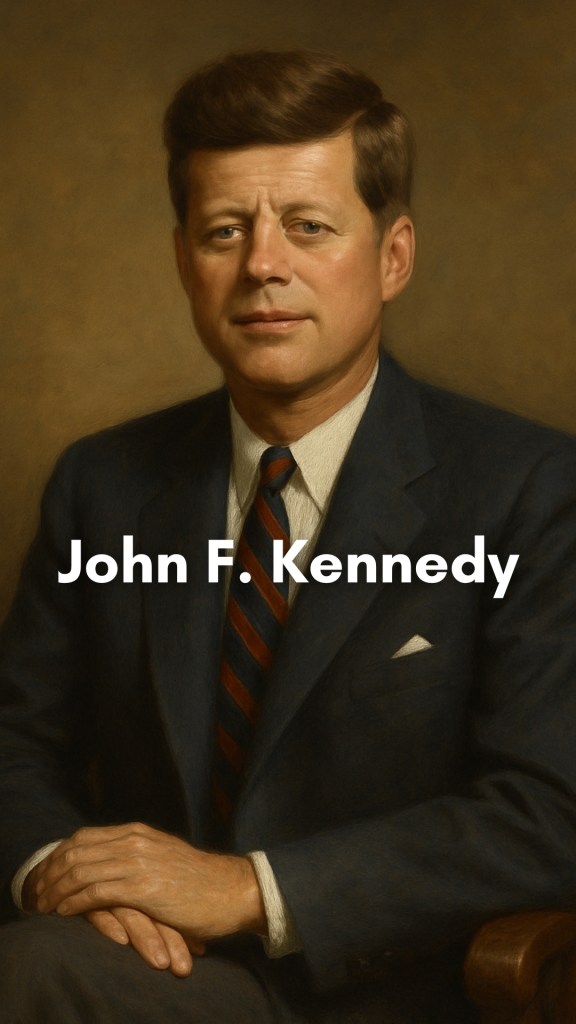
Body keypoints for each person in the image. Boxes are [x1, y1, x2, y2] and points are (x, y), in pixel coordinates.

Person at [1, 49, 576, 1024]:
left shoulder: (530, 489)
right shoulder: (101, 484)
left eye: (309, 227)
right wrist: (65, 871)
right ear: (184, 259)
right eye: (226, 230)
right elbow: (14, 744)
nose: (263, 264)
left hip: (389, 990)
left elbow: (551, 810)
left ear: (393, 256)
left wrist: (245, 888)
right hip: (142, 972)